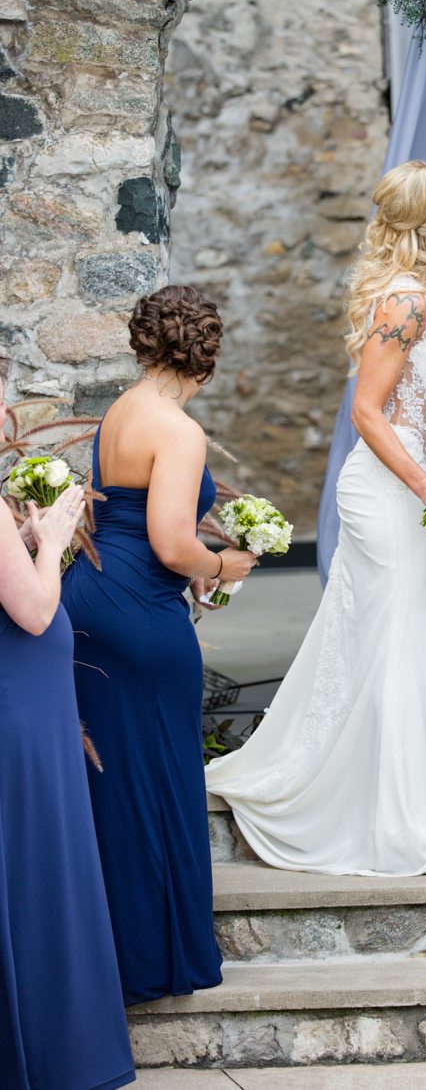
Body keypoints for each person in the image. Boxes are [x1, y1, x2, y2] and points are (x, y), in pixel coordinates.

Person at [206, 162, 426, 876]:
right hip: (387, 492)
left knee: (410, 632)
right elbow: (367, 412)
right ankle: (400, 823)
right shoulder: (401, 302)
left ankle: (418, 804)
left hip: (417, 490)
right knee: (398, 638)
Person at [62, 285, 258, 1005]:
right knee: (157, 782)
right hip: (141, 617)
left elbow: (126, 518)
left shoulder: (120, 410)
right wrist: (222, 566)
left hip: (90, 597)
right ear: (205, 354)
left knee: (109, 784)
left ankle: (104, 955)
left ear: (144, 343)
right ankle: (153, 962)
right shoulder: (178, 431)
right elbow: (174, 543)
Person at [0, 371, 136, 1090]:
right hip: (20, 713)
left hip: (19, 701)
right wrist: (49, 541)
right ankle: (54, 1055)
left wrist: (19, 536)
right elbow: (30, 609)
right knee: (36, 871)